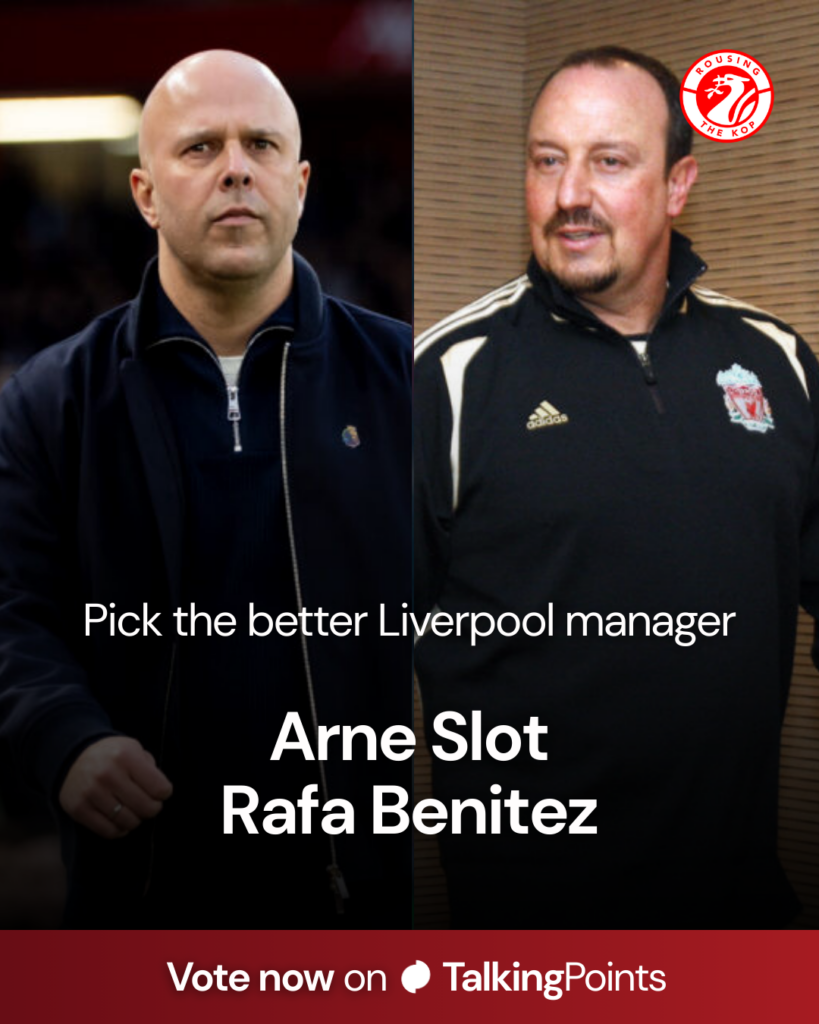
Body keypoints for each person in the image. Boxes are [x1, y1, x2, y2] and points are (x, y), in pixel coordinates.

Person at [0, 50, 411, 927]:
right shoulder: (49, 402)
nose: (235, 169)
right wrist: (65, 736)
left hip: (370, 896)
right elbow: (12, 612)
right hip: (142, 892)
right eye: (200, 149)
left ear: (298, 184)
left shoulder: (417, 382)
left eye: (260, 146)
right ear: (145, 194)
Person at [414, 45, 819, 927]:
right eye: (547, 160)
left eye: (608, 161)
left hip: (743, 909)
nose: (569, 196)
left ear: (678, 185)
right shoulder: (445, 380)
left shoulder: (777, 363)